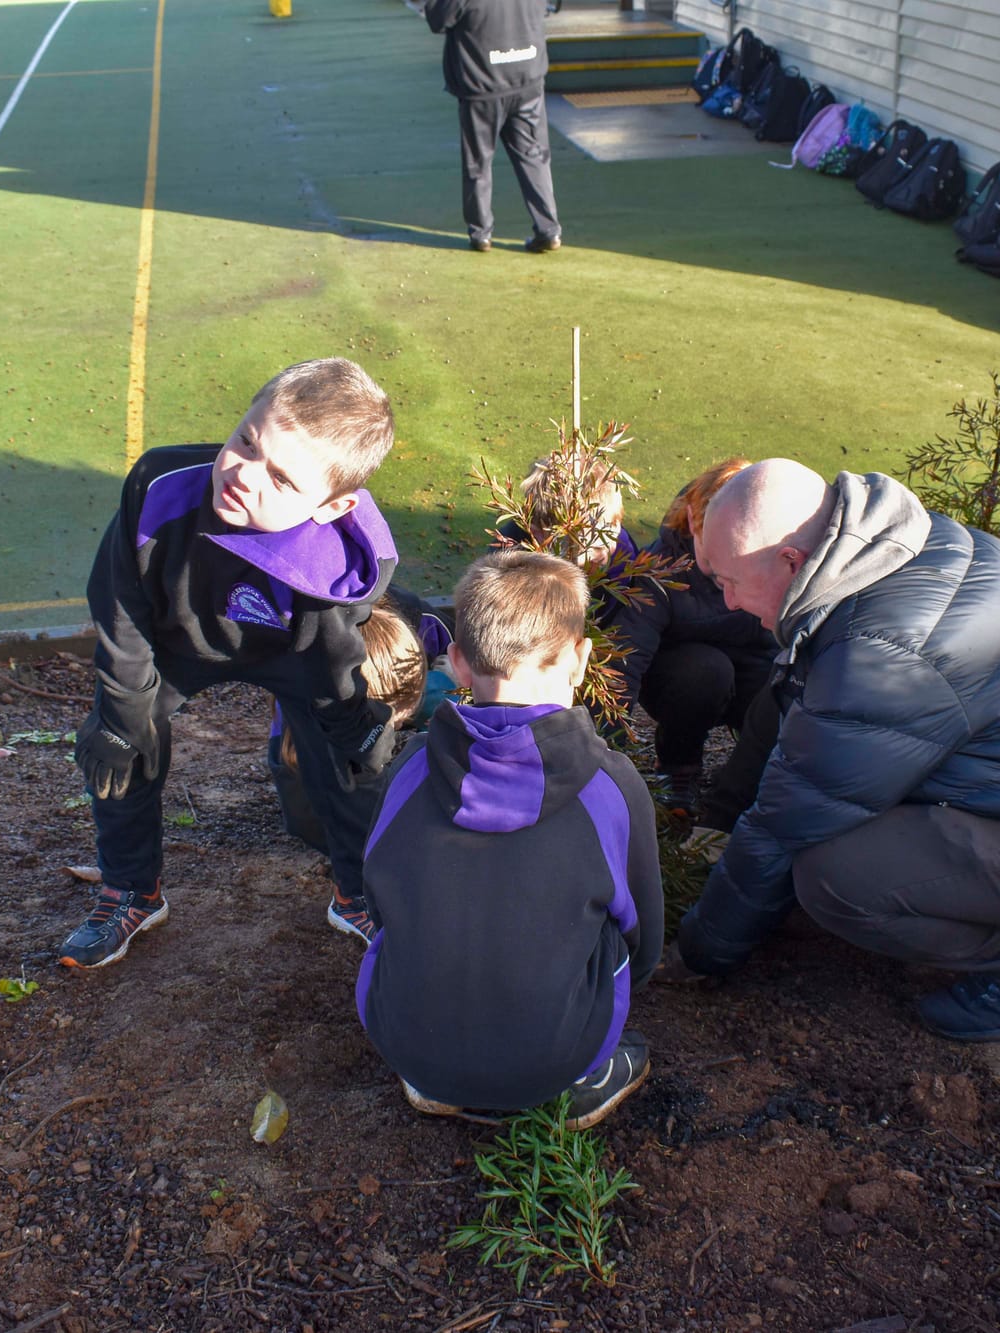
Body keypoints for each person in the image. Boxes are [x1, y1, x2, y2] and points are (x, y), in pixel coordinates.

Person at [669, 459, 1000, 1043]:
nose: (727, 601)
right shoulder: (895, 547)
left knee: (833, 876)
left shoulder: (882, 655)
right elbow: (788, 708)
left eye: (729, 581)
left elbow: (783, 827)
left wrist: (700, 951)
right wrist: (722, 818)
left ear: (792, 561)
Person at [59, 358, 401, 970]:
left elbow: (332, 651)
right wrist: (121, 711)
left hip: (289, 653)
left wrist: (353, 721)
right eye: (246, 440)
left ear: (333, 506)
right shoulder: (159, 486)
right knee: (122, 741)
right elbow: (119, 605)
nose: (243, 473)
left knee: (348, 759)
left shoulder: (345, 556)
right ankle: (133, 891)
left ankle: (358, 893)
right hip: (176, 640)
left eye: (282, 479)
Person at [357, 550, 663, 1128]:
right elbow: (641, 937)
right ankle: (584, 1078)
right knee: (613, 933)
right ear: (580, 660)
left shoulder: (410, 769)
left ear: (457, 664)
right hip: (551, 1062)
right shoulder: (611, 785)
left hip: (408, 1045)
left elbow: (375, 897)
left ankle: (436, 1079)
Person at [603, 459, 778, 814]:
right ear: (692, 523)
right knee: (707, 672)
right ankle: (678, 768)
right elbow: (625, 662)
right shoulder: (660, 571)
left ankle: (753, 775)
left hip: (750, 663)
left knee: (777, 685)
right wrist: (599, 752)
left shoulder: (772, 561)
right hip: (682, 676)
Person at [266, 595, 441, 853]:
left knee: (441, 690)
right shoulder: (304, 750)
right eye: (399, 716)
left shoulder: (305, 689)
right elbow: (313, 826)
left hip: (361, 682)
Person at [421, 0, 563, 254]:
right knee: (534, 157)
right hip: (527, 77)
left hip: (482, 83)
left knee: (478, 162)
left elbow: (437, 19)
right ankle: (548, 229)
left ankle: (481, 233)